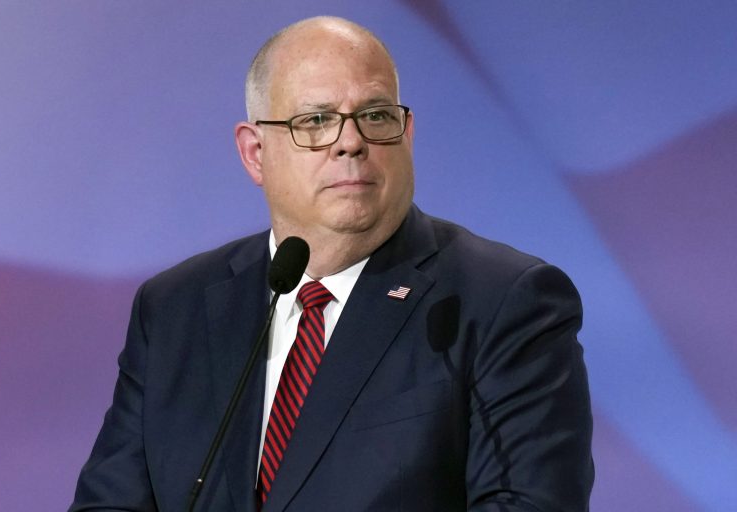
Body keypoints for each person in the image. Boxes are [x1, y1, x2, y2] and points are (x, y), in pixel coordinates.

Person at [70, 16, 593, 512]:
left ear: (406, 134)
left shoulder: (502, 301)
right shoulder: (174, 309)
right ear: (255, 153)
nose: (351, 142)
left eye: (376, 115)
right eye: (316, 121)